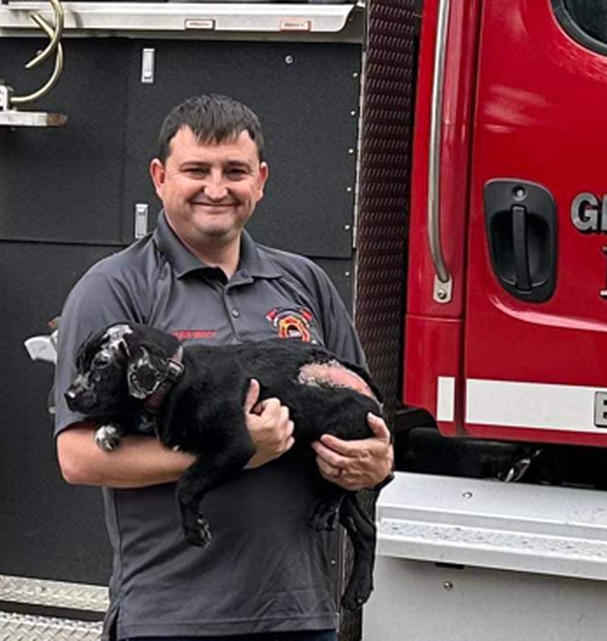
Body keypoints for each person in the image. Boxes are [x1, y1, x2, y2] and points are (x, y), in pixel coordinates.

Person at [53, 93, 393, 641]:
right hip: (173, 617)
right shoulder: (115, 290)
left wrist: (375, 463)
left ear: (260, 179)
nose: (217, 188)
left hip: (299, 613)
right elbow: (77, 457)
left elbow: (365, 412)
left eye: (234, 171)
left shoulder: (304, 283)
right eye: (197, 170)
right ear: (160, 177)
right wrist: (237, 450)